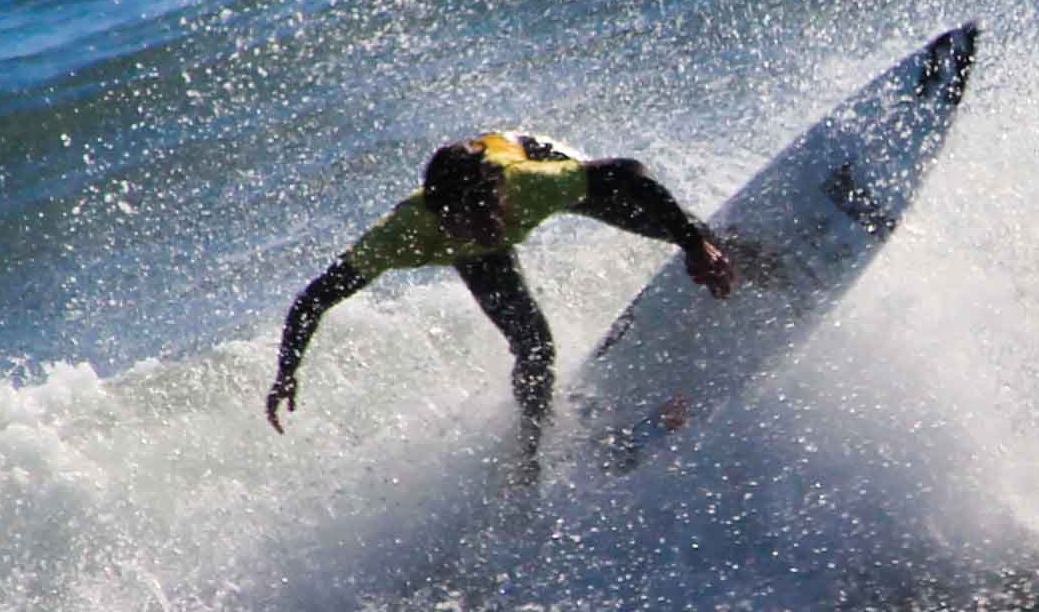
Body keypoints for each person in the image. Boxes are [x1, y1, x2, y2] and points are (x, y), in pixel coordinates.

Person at [264, 132, 735, 479]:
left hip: (533, 151)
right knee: (534, 348)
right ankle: (529, 457)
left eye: (494, 207)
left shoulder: (529, 184)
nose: (495, 222)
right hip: (461, 234)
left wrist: (693, 243)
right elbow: (313, 299)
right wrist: (287, 371)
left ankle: (738, 255)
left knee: (677, 229)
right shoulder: (400, 237)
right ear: (445, 217)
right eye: (479, 216)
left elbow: (629, 173)